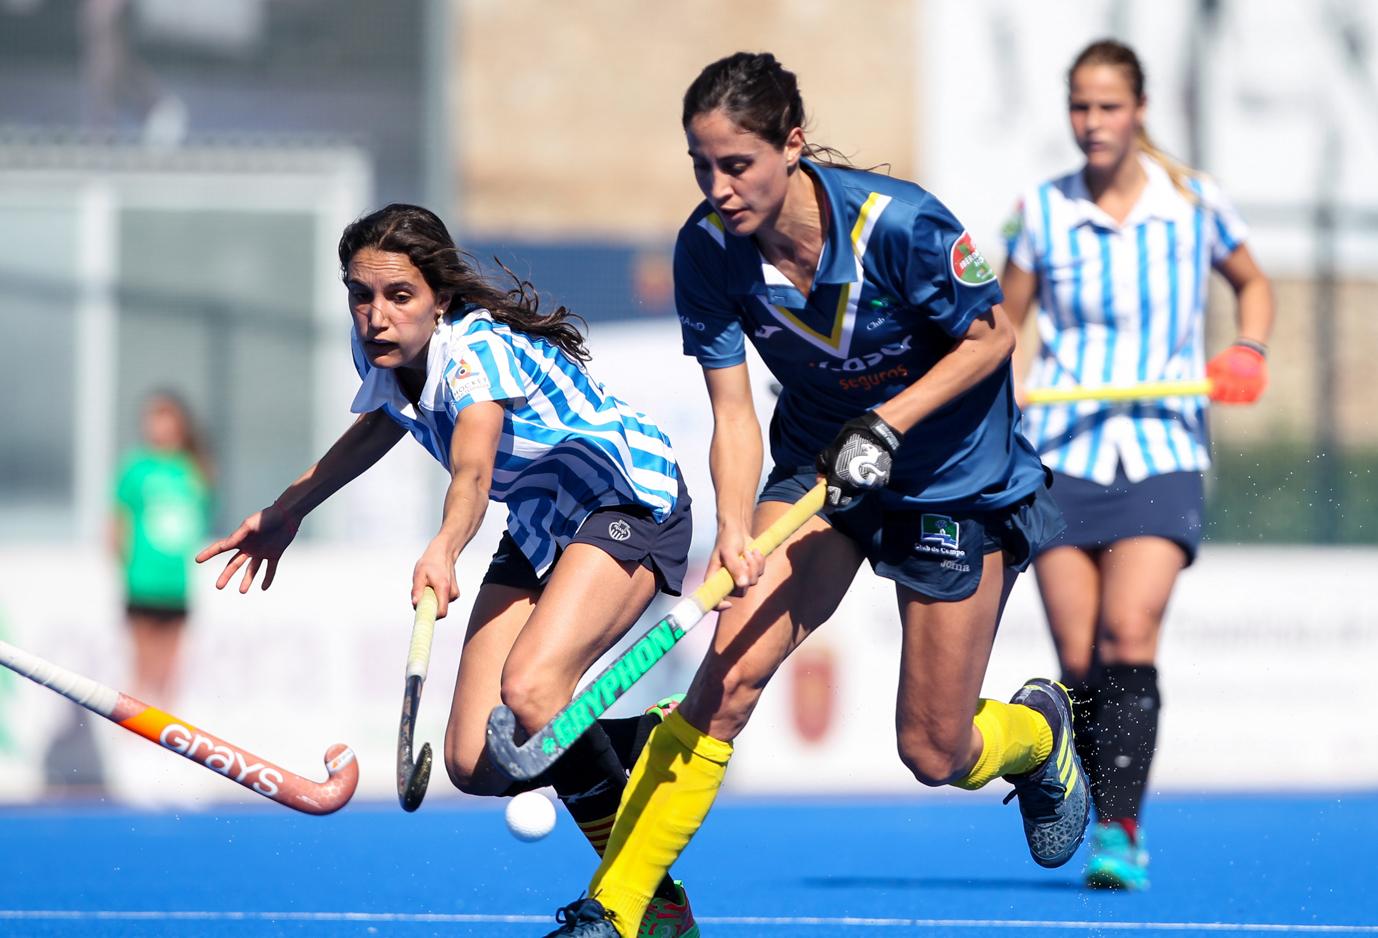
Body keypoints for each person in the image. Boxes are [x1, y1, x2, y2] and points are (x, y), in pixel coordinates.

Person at [541, 52, 1088, 938]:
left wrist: (891, 425)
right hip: (818, 470)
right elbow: (731, 410)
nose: (717, 187)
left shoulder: (900, 225)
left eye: (737, 164)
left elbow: (992, 338)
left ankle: (1037, 738)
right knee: (725, 678)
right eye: (700, 165)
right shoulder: (708, 251)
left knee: (935, 748)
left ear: (791, 145)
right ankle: (619, 907)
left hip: (953, 482)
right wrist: (733, 530)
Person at [195, 204, 700, 937]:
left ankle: (644, 902)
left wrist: (444, 546)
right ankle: (643, 742)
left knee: (532, 689)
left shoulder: (475, 355)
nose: (375, 315)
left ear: (440, 298)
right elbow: (381, 422)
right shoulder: (384, 352)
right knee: (477, 762)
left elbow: (471, 467)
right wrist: (289, 509)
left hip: (629, 499)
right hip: (540, 524)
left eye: (398, 296)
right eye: (360, 296)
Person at [1000, 39, 1275, 891]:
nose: (1092, 123)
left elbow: (1253, 284)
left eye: (1108, 106)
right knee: (1080, 662)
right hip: (1061, 455)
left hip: (1161, 451)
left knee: (1129, 633)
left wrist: (1248, 347)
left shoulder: (1194, 202)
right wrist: (1000, 417)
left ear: (1139, 110)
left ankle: (1121, 829)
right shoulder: (1040, 212)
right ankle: (1076, 787)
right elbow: (1003, 332)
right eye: (1080, 106)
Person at [112, 390, 213, 703]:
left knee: (172, 667)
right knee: (142, 664)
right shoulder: (136, 468)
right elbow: (117, 522)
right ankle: (132, 737)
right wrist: (124, 565)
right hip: (142, 579)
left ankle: (166, 737)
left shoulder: (194, 470)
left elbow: (198, 520)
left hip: (176, 582)